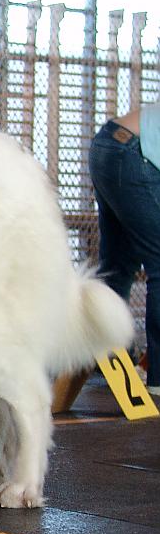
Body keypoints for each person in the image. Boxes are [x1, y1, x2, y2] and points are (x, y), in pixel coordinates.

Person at [89, 105, 160, 397]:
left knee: (117, 264)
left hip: (107, 144)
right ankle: (158, 380)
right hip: (134, 154)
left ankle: (111, 360)